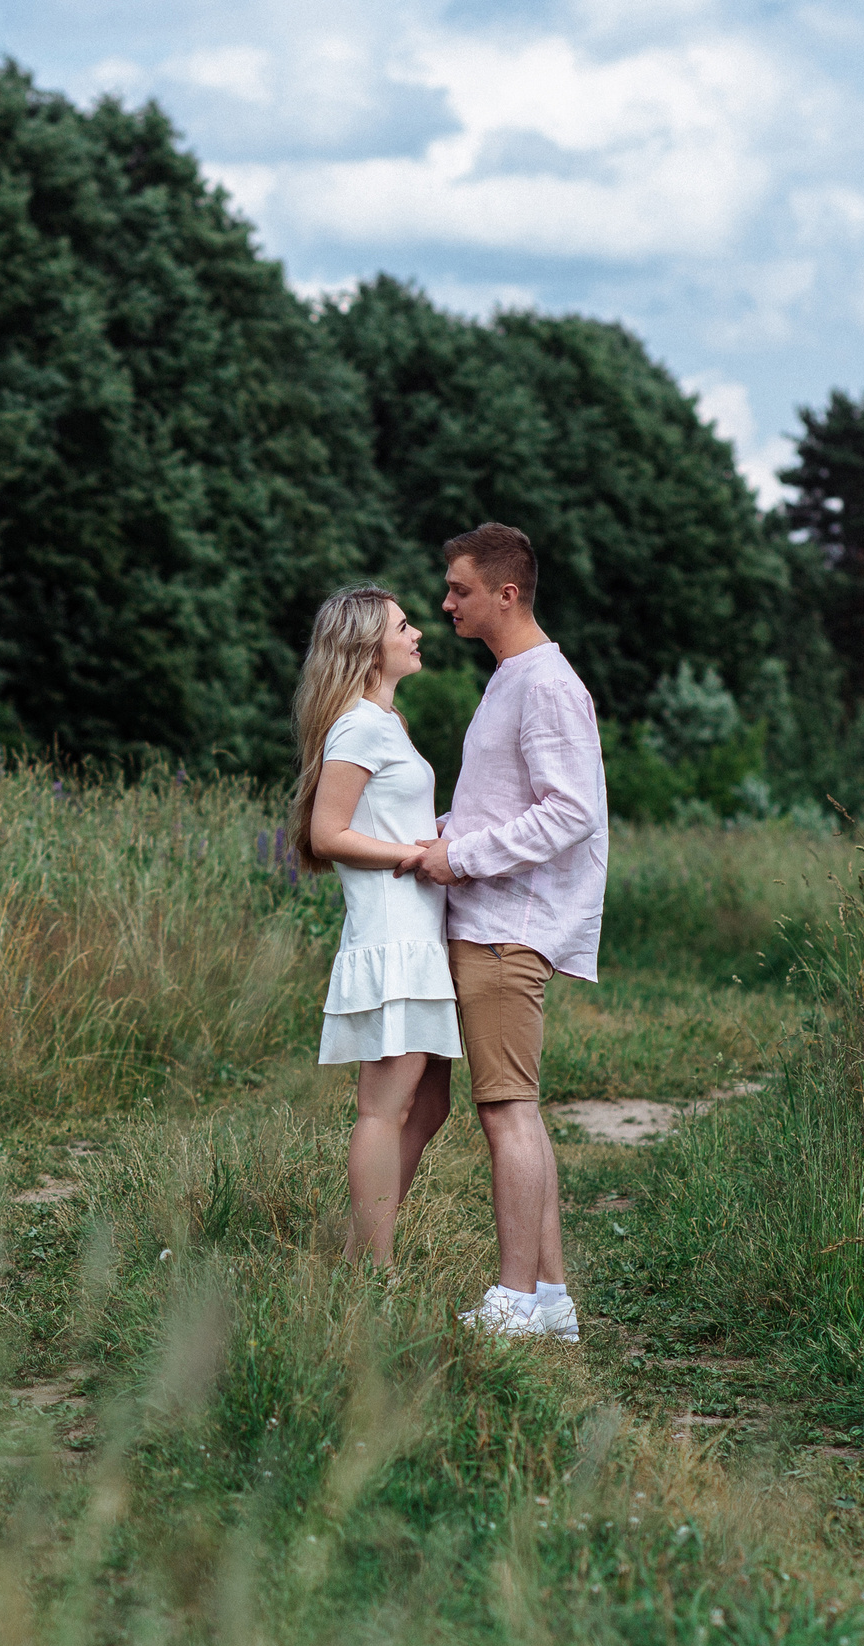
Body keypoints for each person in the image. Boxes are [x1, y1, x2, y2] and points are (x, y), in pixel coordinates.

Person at [397, 523, 606, 1342]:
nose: (446, 602)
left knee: (507, 1112)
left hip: (506, 928)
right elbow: (500, 804)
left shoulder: (545, 683)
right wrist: (436, 837)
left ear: (506, 593)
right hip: (489, 917)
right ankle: (549, 1300)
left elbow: (569, 811)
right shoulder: (512, 678)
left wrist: (460, 858)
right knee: (517, 1109)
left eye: (460, 589)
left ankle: (514, 1300)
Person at [290, 586, 462, 1269]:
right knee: (383, 1109)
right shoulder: (359, 725)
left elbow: (394, 817)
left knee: (429, 1104)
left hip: (420, 933)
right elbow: (326, 833)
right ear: (368, 647)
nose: (418, 633)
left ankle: (362, 1245)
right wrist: (412, 856)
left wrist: (445, 837)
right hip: (394, 937)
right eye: (403, 625)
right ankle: (373, 1271)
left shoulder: (388, 722)